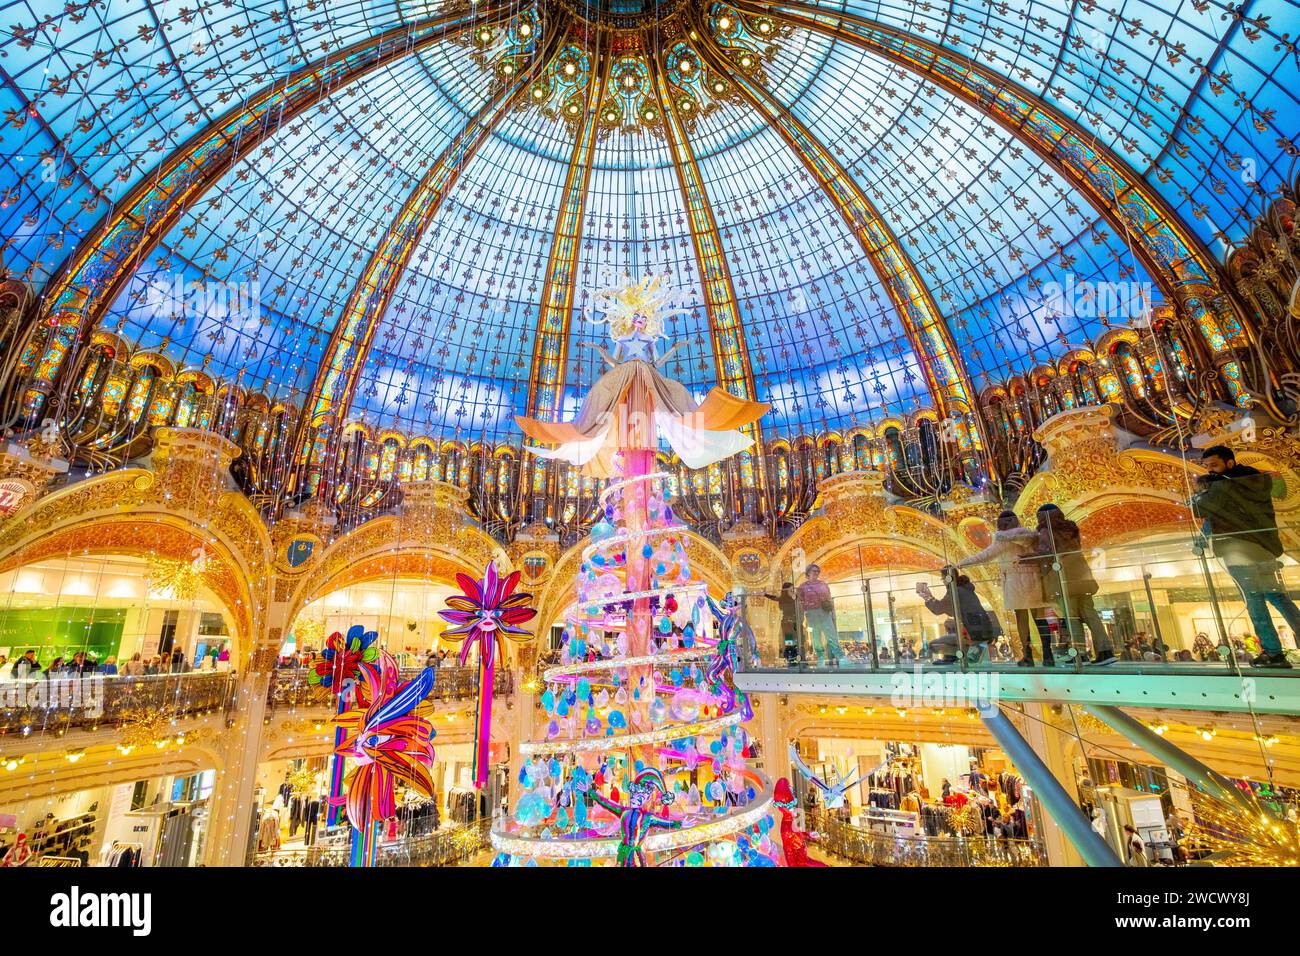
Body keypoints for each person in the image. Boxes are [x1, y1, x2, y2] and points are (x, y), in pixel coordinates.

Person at [1192, 444, 1298, 668]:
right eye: (1207, 466)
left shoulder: (1223, 486)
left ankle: (1273, 654)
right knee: (1278, 597)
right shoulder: (1257, 480)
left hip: (1239, 550)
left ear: (1230, 463)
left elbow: (1200, 510)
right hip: (1265, 548)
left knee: (1255, 601)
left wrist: (1201, 493)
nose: (1210, 470)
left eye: (1215, 465)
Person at [1021, 503, 1117, 665]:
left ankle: (1079, 654)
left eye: (1039, 517)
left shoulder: (1046, 531)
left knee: (1071, 616)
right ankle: (1105, 651)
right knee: (1090, 614)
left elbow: (1047, 553)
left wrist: (1027, 558)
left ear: (1043, 517)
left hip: (1063, 578)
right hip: (1082, 576)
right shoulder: (1071, 529)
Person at [957, 510, 1052, 666]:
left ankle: (1027, 657)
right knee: (1040, 618)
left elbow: (985, 556)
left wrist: (961, 563)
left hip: (1015, 581)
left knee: (1022, 619)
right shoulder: (1031, 535)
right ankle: (1048, 655)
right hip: (1034, 579)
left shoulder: (1003, 539)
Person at [916, 568, 1000, 664]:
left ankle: (968, 653)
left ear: (948, 578)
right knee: (950, 627)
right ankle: (957, 656)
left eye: (943, 579)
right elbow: (954, 611)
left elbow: (938, 609)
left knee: (933, 645)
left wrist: (926, 594)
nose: (943, 582)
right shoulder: (967, 590)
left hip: (973, 636)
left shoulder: (954, 591)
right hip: (984, 633)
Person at [796, 564, 844, 666]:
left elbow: (829, 599)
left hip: (824, 612)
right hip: (811, 614)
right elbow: (799, 602)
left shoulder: (823, 585)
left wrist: (833, 613)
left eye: (818, 571)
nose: (816, 573)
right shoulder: (802, 587)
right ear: (808, 573)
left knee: (831, 635)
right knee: (816, 637)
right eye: (814, 571)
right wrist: (802, 617)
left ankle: (840, 656)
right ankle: (820, 657)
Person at [764, 581, 800, 666]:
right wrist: (765, 594)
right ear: (786, 590)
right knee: (789, 641)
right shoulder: (782, 598)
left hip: (794, 622)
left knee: (796, 641)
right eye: (790, 589)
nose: (792, 591)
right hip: (786, 623)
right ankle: (790, 659)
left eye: (792, 589)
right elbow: (774, 598)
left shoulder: (795, 597)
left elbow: (800, 602)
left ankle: (795, 658)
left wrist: (795, 597)